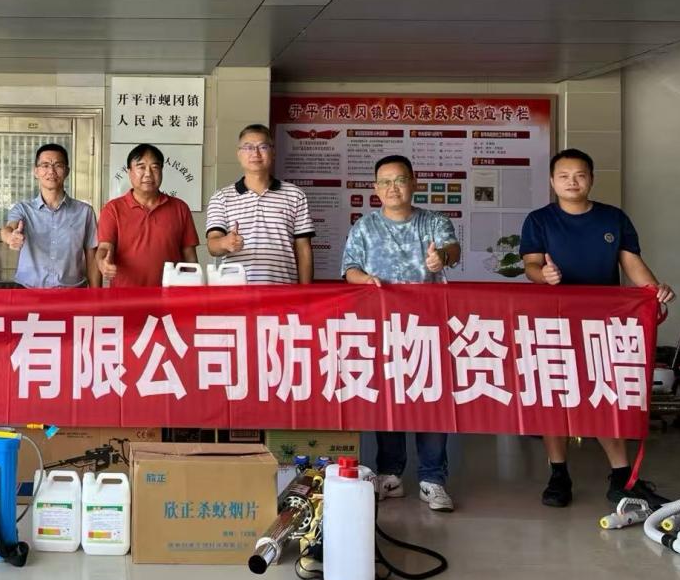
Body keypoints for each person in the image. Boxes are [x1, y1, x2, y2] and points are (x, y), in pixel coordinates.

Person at [521, 148, 675, 509]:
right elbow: (530, 264)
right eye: (564, 176)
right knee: (555, 399)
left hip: (603, 324)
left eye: (580, 175)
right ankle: (558, 475)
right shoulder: (539, 220)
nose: (572, 182)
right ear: (552, 181)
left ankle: (622, 477)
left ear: (591, 178)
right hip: (553, 324)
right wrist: (543, 275)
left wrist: (653, 292)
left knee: (605, 396)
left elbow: (631, 262)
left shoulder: (613, 218)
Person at [342, 154, 460, 513]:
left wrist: (441, 257)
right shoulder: (365, 226)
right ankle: (390, 475)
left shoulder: (434, 221)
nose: (393, 187)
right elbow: (349, 269)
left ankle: (433, 479)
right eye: (385, 182)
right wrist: (365, 280)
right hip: (382, 327)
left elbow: (452, 250)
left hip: (428, 327)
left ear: (414, 184)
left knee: (430, 401)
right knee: (389, 400)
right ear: (376, 188)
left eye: (400, 180)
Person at [205, 123, 315, 283]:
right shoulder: (221, 197)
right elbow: (212, 245)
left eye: (263, 147)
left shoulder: (295, 195)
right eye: (248, 147)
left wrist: (305, 293)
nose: (255, 153)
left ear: (273, 152)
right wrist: (225, 242)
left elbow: (303, 249)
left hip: (282, 290)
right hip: (236, 291)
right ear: (239, 154)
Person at [96, 143, 199, 287]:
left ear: (161, 171)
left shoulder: (180, 208)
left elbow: (190, 256)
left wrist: (193, 287)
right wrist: (102, 262)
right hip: (125, 295)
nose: (148, 174)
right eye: (141, 167)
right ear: (129, 172)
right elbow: (105, 247)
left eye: (155, 167)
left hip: (171, 293)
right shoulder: (112, 209)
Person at [0, 143, 101, 288]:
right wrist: (10, 237)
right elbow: (9, 228)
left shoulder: (84, 212)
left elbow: (92, 258)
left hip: (73, 292)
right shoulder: (23, 209)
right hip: (29, 292)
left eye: (58, 165)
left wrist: (96, 295)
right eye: (45, 165)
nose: (51, 171)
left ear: (67, 171)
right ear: (36, 172)